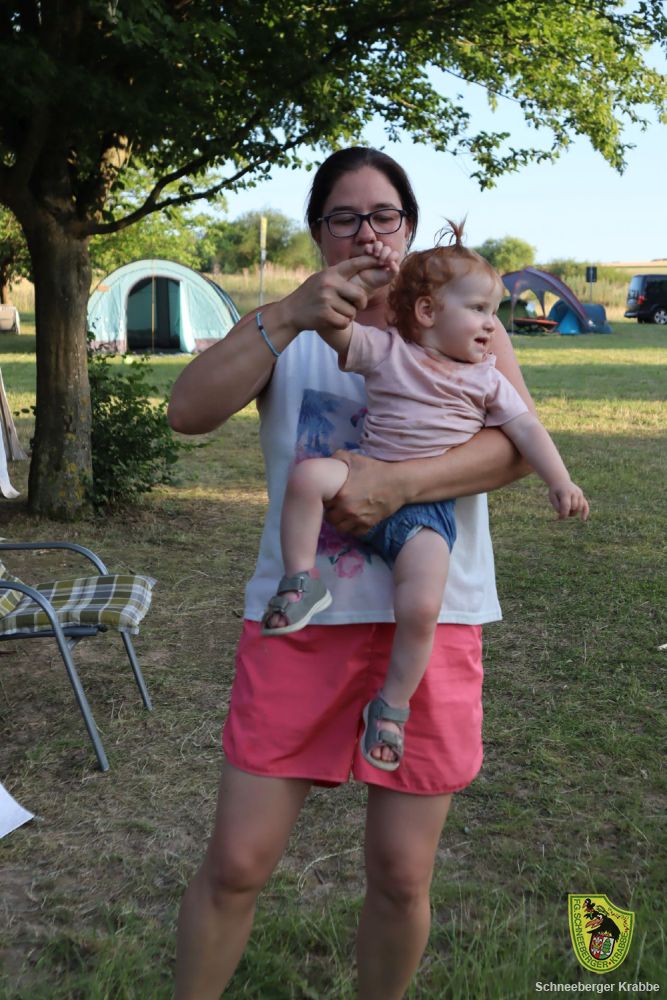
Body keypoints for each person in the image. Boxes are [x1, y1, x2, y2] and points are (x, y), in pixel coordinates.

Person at [168, 146, 539, 1000]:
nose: (366, 234)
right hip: (301, 624)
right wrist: (285, 315)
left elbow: (518, 448)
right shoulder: (289, 328)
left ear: (407, 229)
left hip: (429, 624)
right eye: (344, 217)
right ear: (317, 232)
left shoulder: (464, 323)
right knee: (237, 862)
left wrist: (397, 486)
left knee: (402, 874)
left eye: (384, 216)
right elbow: (187, 411)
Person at [260, 225, 589, 773]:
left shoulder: (487, 380)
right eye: (479, 309)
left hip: (426, 516)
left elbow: (527, 432)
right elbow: (335, 329)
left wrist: (561, 481)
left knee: (421, 608)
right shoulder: (388, 351)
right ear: (429, 311)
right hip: (361, 473)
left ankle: (391, 706)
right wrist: (370, 280)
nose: (492, 324)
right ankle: (301, 580)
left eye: (494, 311)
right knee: (307, 478)